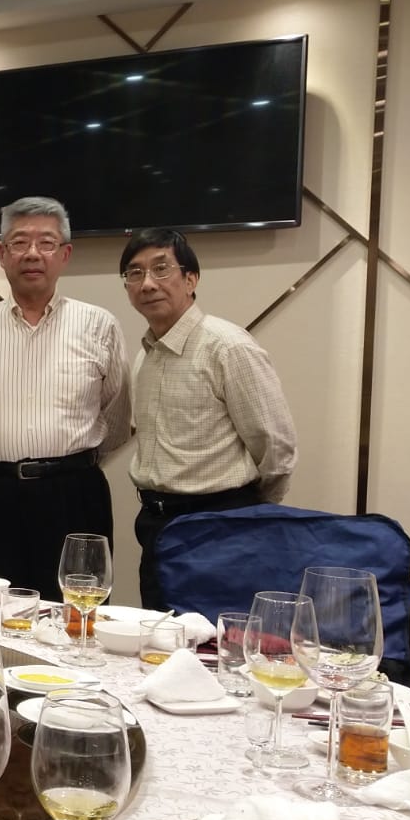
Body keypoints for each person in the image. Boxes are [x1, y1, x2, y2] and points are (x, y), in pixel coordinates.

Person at [0, 197, 131, 598]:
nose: (32, 253)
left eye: (46, 243)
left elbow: (117, 417)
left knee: (78, 610)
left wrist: (68, 464)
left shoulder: (98, 325)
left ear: (64, 254)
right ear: (2, 254)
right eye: (19, 242)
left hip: (74, 495)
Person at [121, 228, 298, 609]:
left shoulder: (227, 347)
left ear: (191, 279)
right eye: (135, 273)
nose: (147, 283)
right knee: (160, 636)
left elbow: (276, 447)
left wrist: (246, 512)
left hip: (220, 527)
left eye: (161, 269)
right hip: (156, 524)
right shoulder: (145, 355)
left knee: (218, 639)